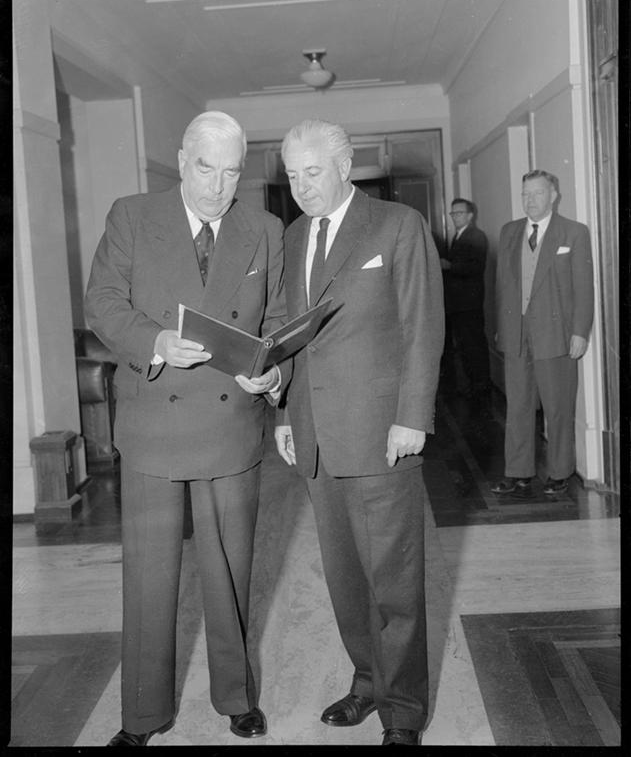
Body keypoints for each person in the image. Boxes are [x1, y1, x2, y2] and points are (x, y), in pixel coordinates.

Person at [85, 111, 289, 745]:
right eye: (206, 168)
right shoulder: (132, 215)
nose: (218, 186)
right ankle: (143, 716)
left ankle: (236, 697)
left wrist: (272, 376)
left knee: (229, 569)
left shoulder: (264, 228)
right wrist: (154, 342)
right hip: (153, 421)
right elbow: (103, 301)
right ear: (181, 160)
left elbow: (277, 321)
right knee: (149, 577)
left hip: (230, 423)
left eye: (231, 172)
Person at [274, 119, 444, 747]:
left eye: (312, 172)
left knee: (394, 581)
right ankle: (368, 682)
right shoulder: (293, 237)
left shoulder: (397, 225)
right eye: (291, 176)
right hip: (315, 435)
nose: (301, 187)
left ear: (345, 166)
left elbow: (423, 327)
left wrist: (412, 416)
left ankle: (403, 712)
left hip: (381, 433)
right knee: (346, 578)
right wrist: (285, 415)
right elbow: (288, 332)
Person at [492, 170, 594, 500]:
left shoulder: (574, 233)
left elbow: (584, 288)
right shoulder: (509, 232)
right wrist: (500, 327)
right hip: (516, 333)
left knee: (558, 407)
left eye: (537, 194)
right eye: (525, 194)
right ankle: (517, 471)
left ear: (553, 196)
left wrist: (580, 332)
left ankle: (559, 472)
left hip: (556, 334)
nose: (530, 201)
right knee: (518, 407)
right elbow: (502, 287)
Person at [439, 198, 491, 401]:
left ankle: (480, 389)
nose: (455, 217)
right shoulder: (459, 236)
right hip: (459, 304)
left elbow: (477, 266)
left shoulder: (476, 236)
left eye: (459, 213)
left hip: (469, 304)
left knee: (473, 346)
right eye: (453, 214)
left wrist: (449, 266)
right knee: (466, 347)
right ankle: (475, 387)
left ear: (470, 215)